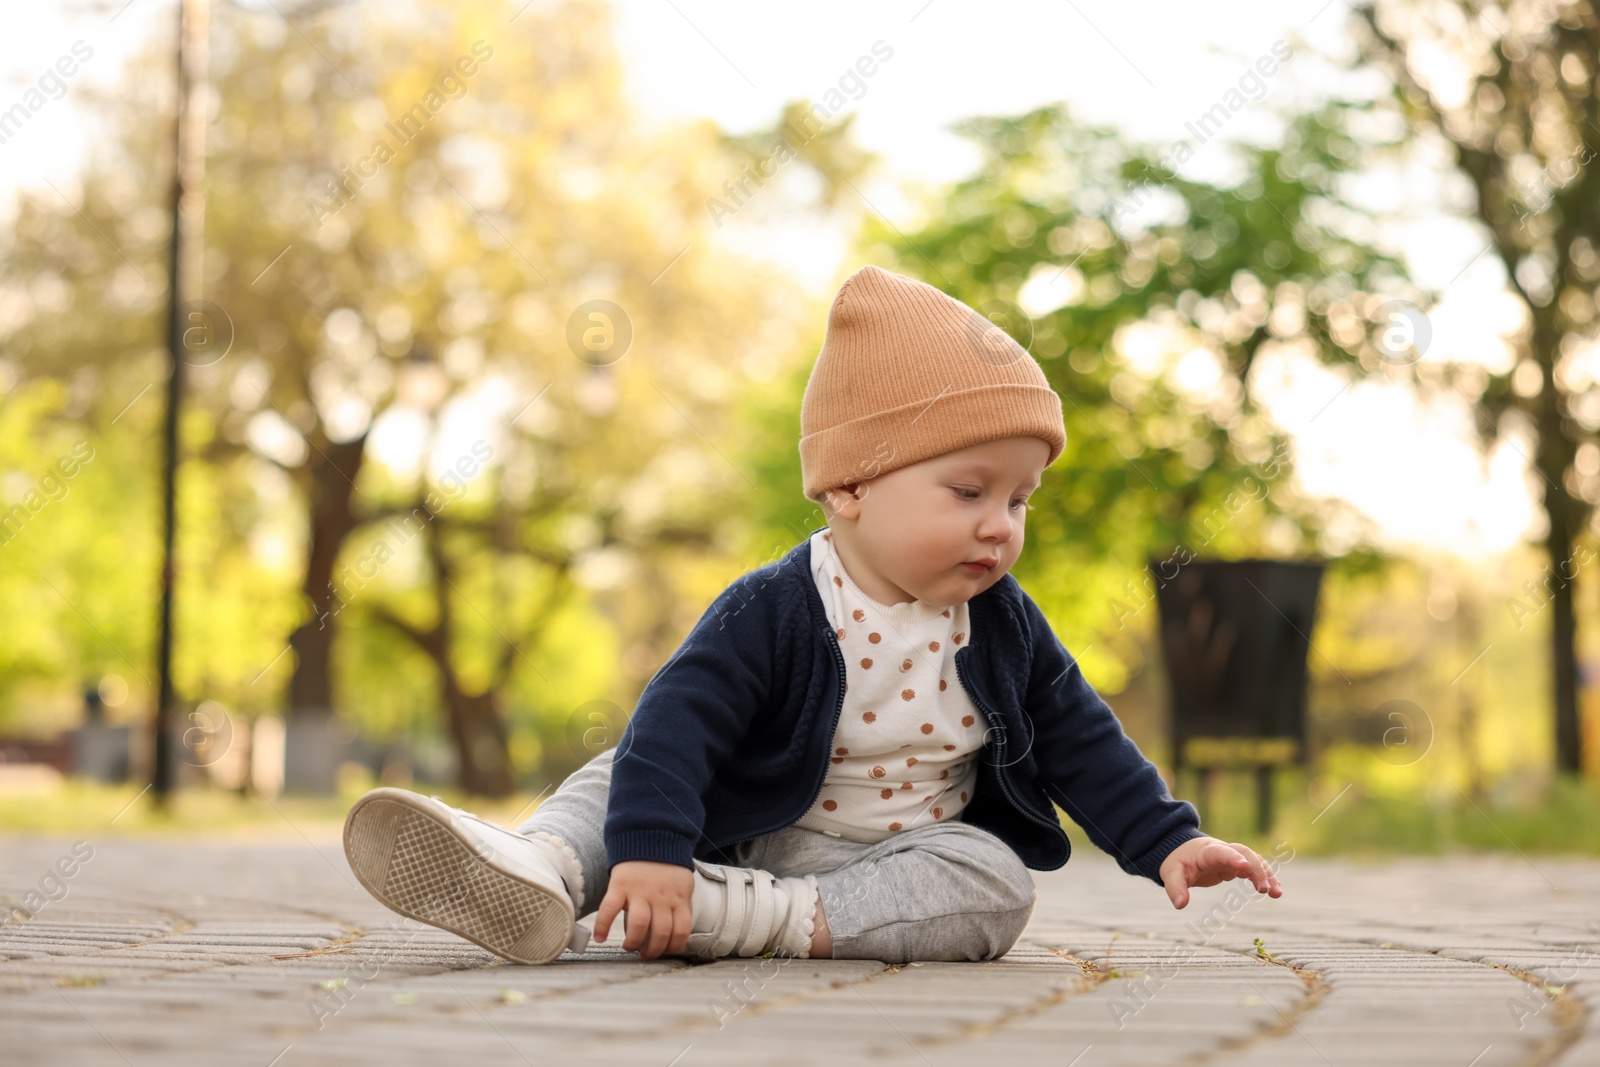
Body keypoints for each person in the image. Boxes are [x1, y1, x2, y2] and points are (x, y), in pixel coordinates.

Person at [341, 264, 1284, 967]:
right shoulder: (778, 607)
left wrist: (1169, 837)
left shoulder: (1003, 621)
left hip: (884, 860)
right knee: (627, 768)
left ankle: (724, 916)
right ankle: (542, 869)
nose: (999, 525)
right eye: (968, 490)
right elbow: (681, 720)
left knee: (993, 883)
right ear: (848, 487)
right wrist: (657, 843)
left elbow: (1080, 735)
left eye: (1020, 499)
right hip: (742, 816)